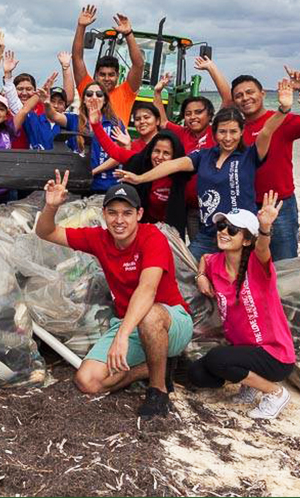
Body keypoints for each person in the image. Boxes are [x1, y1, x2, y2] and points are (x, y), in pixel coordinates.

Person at [36, 178, 193, 419]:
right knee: (87, 381)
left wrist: (121, 336)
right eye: (113, 213)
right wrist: (51, 206)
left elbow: (147, 290)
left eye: (127, 213)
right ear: (104, 214)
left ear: (139, 214)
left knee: (149, 315)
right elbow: (46, 232)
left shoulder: (152, 237)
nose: (119, 220)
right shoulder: (99, 239)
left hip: (170, 320)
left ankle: (158, 391)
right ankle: (152, 367)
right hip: (130, 323)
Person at [116, 78, 296, 261]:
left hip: (241, 235)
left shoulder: (249, 156)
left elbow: (266, 132)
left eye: (233, 132)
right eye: (222, 132)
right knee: (186, 267)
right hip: (209, 233)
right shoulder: (204, 156)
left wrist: (283, 110)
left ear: (241, 132)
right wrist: (140, 179)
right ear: (214, 132)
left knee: (241, 279)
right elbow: (173, 165)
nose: (227, 138)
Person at [188, 192, 297, 420]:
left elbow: (263, 249)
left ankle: (275, 393)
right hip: (244, 350)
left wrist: (265, 228)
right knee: (197, 374)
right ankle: (251, 384)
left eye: (232, 229)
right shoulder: (215, 262)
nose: (224, 232)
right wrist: (200, 276)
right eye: (221, 226)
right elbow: (205, 259)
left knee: (217, 359)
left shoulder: (257, 266)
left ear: (247, 239)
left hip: (273, 353)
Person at [231, 68, 300, 261]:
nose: (245, 98)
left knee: (284, 263)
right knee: (249, 263)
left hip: (280, 205)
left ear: (262, 94)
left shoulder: (282, 119)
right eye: (239, 95)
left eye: (250, 92)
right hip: (245, 205)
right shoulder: (234, 130)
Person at [152, 60, 230, 239]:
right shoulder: (182, 133)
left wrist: (211, 68)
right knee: (177, 246)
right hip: (181, 203)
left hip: (207, 207)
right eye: (188, 114)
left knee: (201, 248)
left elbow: (227, 99)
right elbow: (163, 122)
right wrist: (157, 92)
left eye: (198, 112)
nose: (193, 117)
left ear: (209, 115)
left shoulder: (216, 133)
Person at [94, 126, 189, 237]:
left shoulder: (182, 173)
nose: (160, 157)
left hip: (170, 233)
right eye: (156, 151)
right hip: (142, 229)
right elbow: (113, 151)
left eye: (166, 153)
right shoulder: (141, 161)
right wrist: (95, 124)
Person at [72, 7, 145, 125]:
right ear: (95, 75)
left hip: (115, 143)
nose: (106, 79)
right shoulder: (88, 89)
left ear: (117, 76)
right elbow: (77, 58)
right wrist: (81, 27)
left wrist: (128, 34)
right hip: (88, 142)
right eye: (102, 74)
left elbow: (138, 65)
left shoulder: (125, 93)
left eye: (111, 75)